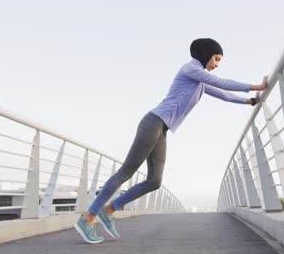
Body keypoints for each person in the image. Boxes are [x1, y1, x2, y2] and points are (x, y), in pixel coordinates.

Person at [74, 38, 268, 243]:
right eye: (216, 59)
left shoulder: (200, 82)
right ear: (206, 54)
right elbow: (221, 82)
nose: (217, 64)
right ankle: (88, 218)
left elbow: (223, 94)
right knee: (126, 172)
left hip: (162, 129)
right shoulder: (190, 69)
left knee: (155, 181)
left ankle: (110, 209)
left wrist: (250, 101)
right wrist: (258, 85)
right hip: (153, 122)